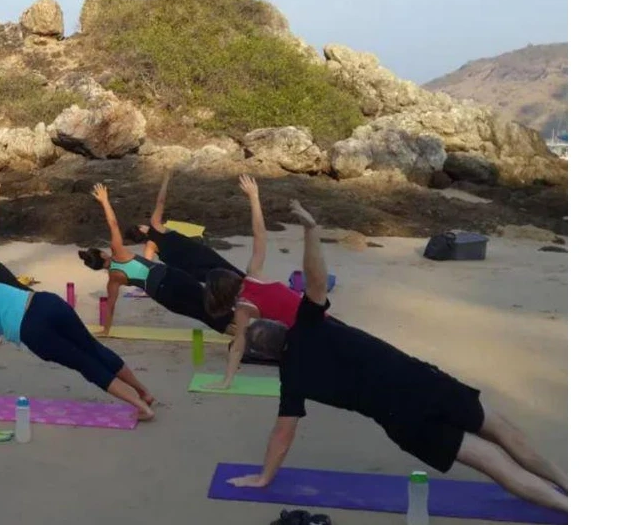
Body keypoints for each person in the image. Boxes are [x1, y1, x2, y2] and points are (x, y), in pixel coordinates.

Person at [227, 200, 567, 514]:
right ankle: (568, 485)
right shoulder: (308, 324)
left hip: (405, 421)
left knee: (494, 462)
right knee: (503, 431)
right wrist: (311, 230)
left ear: (268, 356)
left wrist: (264, 478)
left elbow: (283, 435)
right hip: (423, 381)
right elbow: (316, 281)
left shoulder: (292, 380)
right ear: (278, 325)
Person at [0, 178, 156, 421]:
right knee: (94, 348)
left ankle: (141, 406)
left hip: (33, 330)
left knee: (85, 364)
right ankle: (144, 392)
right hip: (46, 303)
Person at [196, 175, 305, 389]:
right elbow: (260, 235)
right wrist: (254, 197)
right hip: (312, 324)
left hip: (309, 328)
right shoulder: (252, 278)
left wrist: (227, 381)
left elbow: (238, 346)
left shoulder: (243, 306)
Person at [81, 183, 232, 336]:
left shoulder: (113, 280)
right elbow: (113, 224)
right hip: (171, 275)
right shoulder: (119, 253)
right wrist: (105, 200)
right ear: (102, 254)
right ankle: (239, 323)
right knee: (206, 298)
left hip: (162, 294)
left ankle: (237, 334)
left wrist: (106, 330)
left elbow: (110, 307)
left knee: (201, 314)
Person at [128, 170, 245, 282]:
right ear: (141, 229)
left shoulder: (149, 247)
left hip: (189, 270)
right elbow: (161, 202)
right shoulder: (156, 225)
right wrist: (165, 180)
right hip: (199, 253)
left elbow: (148, 267)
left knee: (218, 281)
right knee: (233, 274)